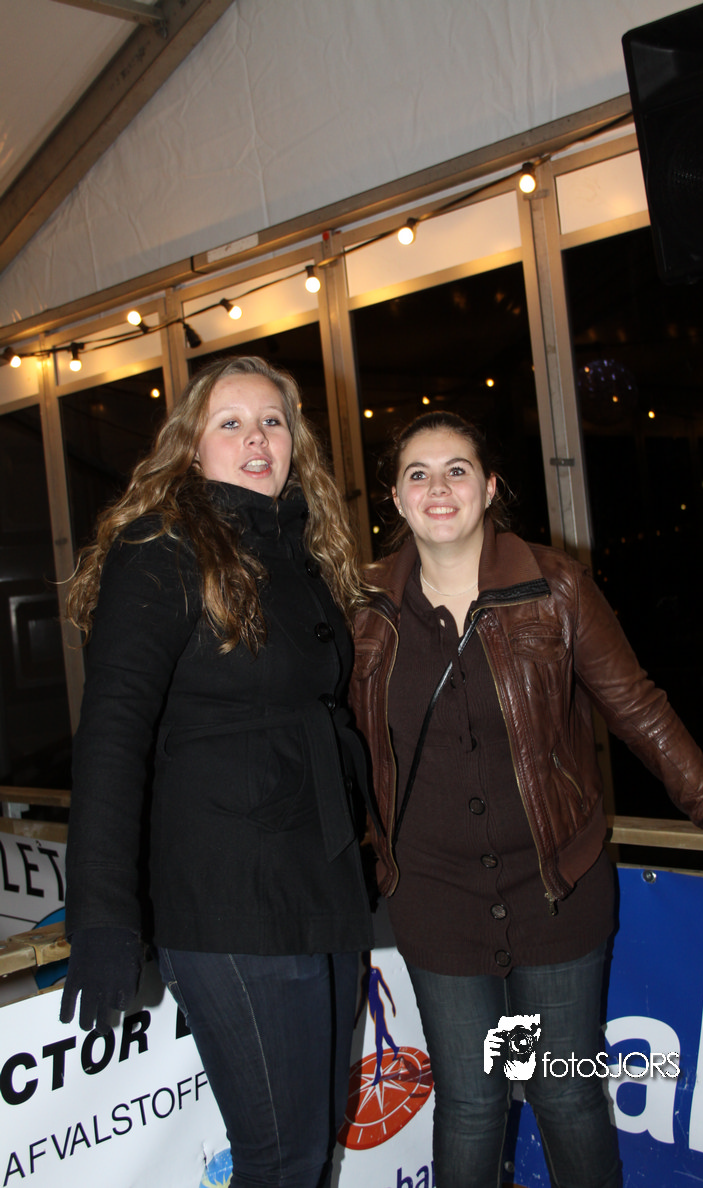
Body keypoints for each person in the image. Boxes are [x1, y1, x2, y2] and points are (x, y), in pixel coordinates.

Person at [348, 410, 703, 1188]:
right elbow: (333, 738)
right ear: (396, 497)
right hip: (435, 897)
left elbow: (638, 709)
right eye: (418, 473)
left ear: (490, 487)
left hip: (556, 887)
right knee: (472, 1103)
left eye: (457, 470)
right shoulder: (362, 608)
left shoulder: (555, 585)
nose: (438, 487)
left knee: (566, 1095)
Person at [60, 356, 374, 1188]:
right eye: (230, 423)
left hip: (318, 882)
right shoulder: (161, 549)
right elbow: (112, 737)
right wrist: (102, 917)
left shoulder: (302, 551)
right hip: (230, 895)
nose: (256, 438)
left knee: (314, 1145)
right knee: (281, 1160)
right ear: (191, 447)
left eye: (272, 421)